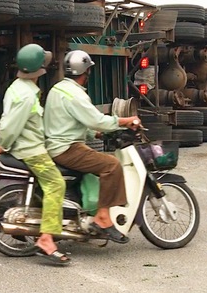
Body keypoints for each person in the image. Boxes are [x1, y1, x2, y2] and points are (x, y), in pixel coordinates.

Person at [0, 44, 69, 266]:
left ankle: (33, 227)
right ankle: (47, 239)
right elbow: (11, 125)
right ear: (40, 69)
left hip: (31, 146)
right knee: (56, 184)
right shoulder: (27, 96)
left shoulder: (18, 87)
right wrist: (1, 145)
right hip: (31, 151)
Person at [44, 50, 140, 244]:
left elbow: (70, 121)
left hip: (56, 145)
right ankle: (103, 217)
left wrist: (94, 134)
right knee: (112, 165)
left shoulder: (58, 89)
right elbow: (96, 120)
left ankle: (86, 212)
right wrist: (125, 120)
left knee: (97, 162)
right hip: (67, 148)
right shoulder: (76, 95)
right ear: (85, 72)